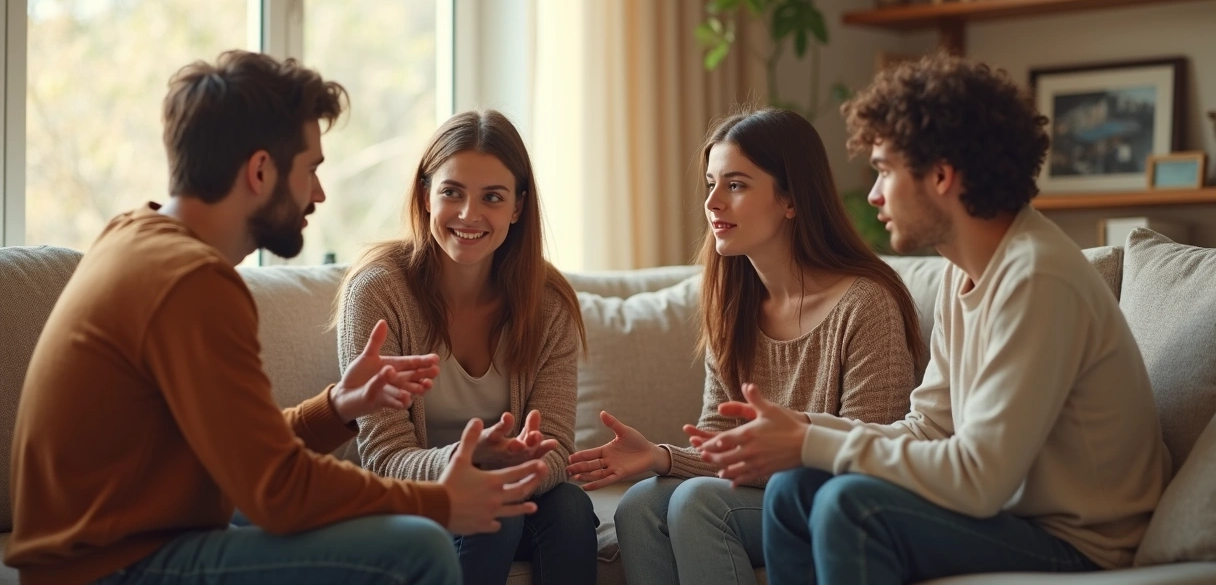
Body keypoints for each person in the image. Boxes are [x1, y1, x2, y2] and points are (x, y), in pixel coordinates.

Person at [4, 51, 547, 585]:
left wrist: (338, 406)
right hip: (108, 565)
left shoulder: (138, 235)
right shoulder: (190, 281)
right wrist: (438, 503)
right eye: (311, 170)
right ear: (261, 171)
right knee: (419, 547)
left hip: (127, 539)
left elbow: (250, 455)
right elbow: (279, 491)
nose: (319, 192)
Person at [697, 53, 1172, 584]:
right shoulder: (961, 270)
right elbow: (929, 428)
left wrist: (810, 443)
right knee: (792, 492)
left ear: (941, 175)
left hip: (1080, 542)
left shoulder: (1037, 279)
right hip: (1009, 518)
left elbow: (979, 479)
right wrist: (803, 427)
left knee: (853, 507)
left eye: (884, 171)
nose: (873, 194)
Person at [566, 108, 922, 585]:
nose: (712, 202)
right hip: (764, 493)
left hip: (827, 500)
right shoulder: (734, 307)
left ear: (791, 199)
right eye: (710, 184)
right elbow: (719, 441)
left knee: (698, 503)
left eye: (735, 185)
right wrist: (659, 456)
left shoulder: (865, 305)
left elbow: (863, 457)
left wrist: (678, 459)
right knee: (640, 505)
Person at [337, 109, 598, 585]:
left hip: (508, 495)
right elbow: (383, 457)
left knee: (571, 508)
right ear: (426, 196)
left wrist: (511, 470)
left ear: (517, 207)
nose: (468, 215)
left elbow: (556, 446)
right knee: (491, 511)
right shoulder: (378, 292)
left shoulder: (548, 303)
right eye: (452, 192)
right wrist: (470, 463)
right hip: (411, 502)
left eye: (492, 197)